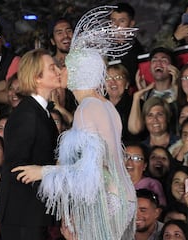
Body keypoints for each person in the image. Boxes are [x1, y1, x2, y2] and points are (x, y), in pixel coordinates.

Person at [9, 6, 137, 240]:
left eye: (66, 66)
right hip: (124, 197)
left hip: (107, 200)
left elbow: (90, 172)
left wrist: (43, 172)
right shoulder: (106, 106)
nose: (61, 70)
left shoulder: (87, 109)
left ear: (80, 71)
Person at [0, 48, 60, 240]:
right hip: (22, 213)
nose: (58, 71)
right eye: (52, 68)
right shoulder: (26, 114)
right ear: (37, 77)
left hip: (33, 212)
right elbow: (18, 166)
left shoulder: (40, 112)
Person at [110, 2, 145, 90]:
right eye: (113, 20)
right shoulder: (103, 47)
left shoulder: (137, 50)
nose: (116, 25)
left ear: (131, 23)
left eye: (122, 21)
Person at [124, 142, 167, 207]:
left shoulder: (152, 185)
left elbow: (160, 210)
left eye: (137, 158)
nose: (129, 162)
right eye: (125, 156)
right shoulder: (112, 183)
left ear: (144, 165)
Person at [106, 63, 135, 142]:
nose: (112, 81)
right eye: (107, 78)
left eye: (118, 77)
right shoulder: (98, 104)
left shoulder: (135, 103)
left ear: (127, 84)